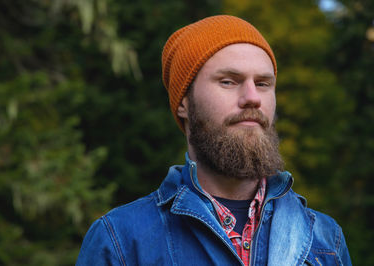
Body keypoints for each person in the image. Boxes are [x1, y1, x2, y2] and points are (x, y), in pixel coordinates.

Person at [76, 15, 352, 266]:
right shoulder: (121, 240)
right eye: (229, 81)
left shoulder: (325, 240)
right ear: (184, 102)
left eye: (263, 83)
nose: (253, 97)